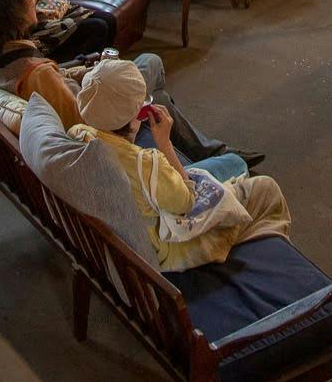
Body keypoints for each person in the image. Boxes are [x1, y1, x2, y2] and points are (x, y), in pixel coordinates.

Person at [0, 0, 247, 161]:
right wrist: (97, 79)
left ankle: (210, 151)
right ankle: (211, 154)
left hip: (76, 97)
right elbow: (84, 121)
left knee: (157, 99)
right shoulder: (37, 74)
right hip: (103, 127)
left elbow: (55, 81)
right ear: (9, 13)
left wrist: (85, 70)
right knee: (151, 63)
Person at [69, 57, 292, 273]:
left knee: (234, 162)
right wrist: (165, 143)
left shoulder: (79, 134)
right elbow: (186, 201)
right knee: (265, 186)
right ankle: (274, 262)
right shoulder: (147, 163)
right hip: (169, 250)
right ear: (137, 115)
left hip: (127, 222)